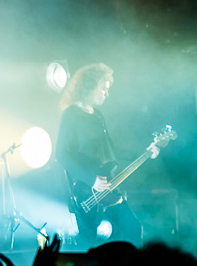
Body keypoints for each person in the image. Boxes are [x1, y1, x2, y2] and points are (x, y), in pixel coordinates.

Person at [56, 63, 151, 247]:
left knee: (132, 228)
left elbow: (111, 153)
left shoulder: (97, 115)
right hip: (86, 193)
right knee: (89, 243)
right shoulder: (71, 114)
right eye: (103, 88)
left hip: (108, 189)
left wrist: (147, 152)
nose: (106, 93)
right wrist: (91, 180)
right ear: (90, 86)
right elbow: (62, 154)